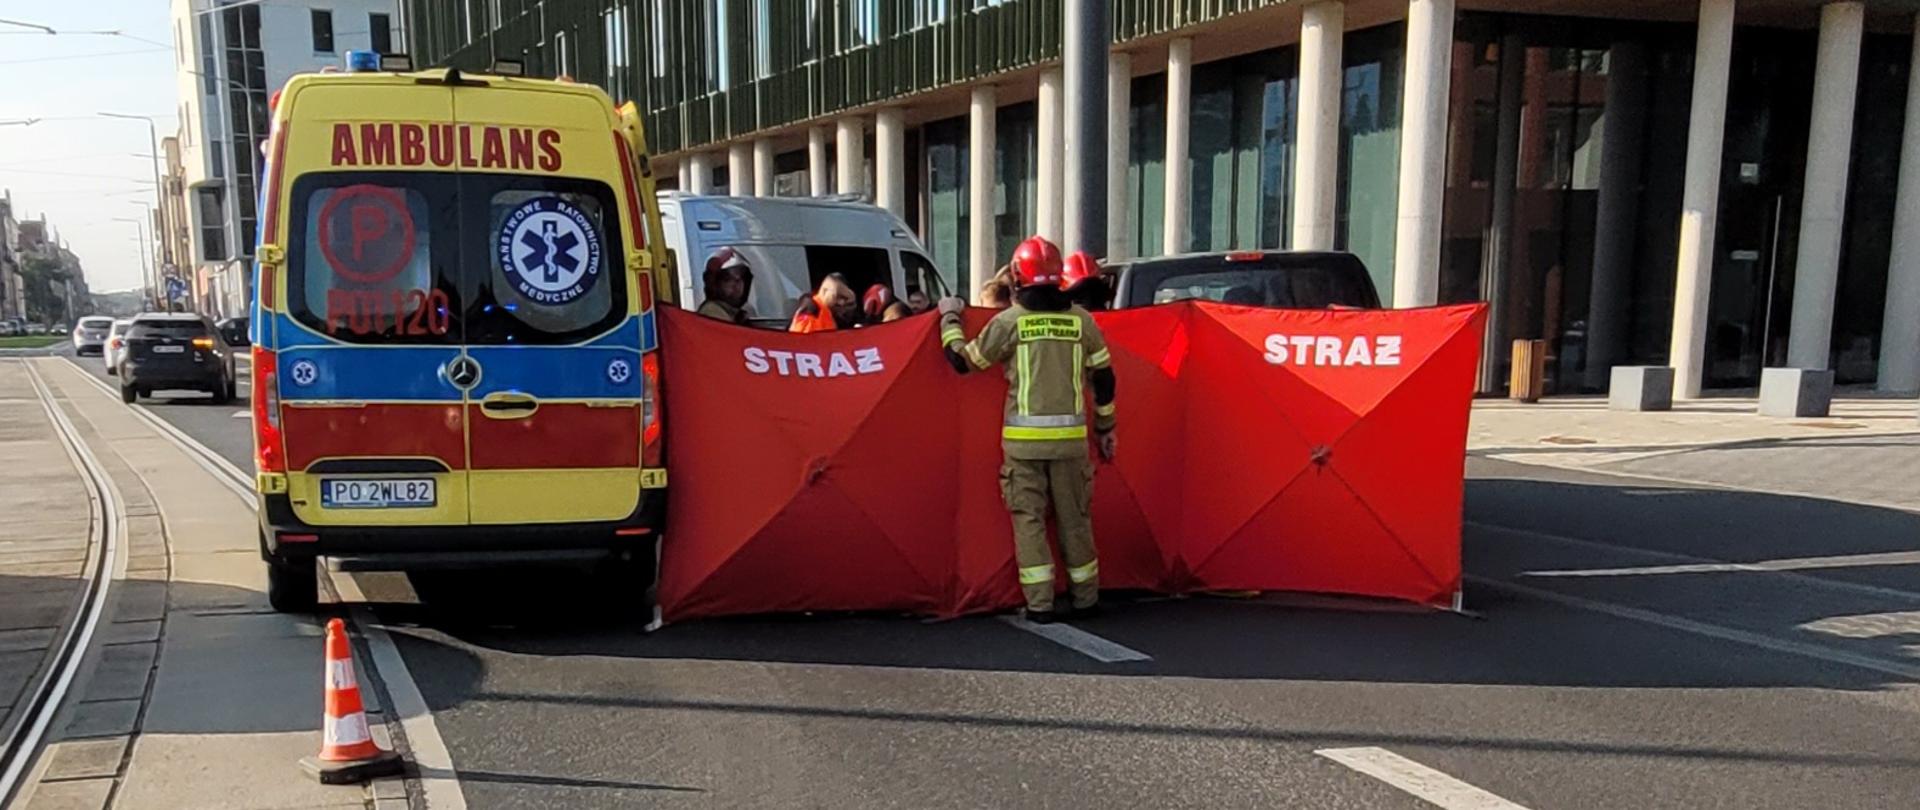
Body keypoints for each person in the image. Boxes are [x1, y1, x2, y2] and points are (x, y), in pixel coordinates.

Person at [938, 236, 1117, 624]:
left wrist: (949, 318)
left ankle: (1040, 606)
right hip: (1071, 445)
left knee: (1029, 521)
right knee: (1076, 521)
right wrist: (1106, 427)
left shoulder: (1009, 322)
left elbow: (962, 362)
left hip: (1023, 448)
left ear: (1019, 277)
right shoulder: (1081, 321)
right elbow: (1104, 377)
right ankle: (1086, 598)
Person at [696, 247, 754, 325]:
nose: (736, 285)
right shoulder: (712, 311)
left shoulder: (737, 313)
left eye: (741, 279)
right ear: (714, 283)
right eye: (728, 279)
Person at [790, 273, 861, 333]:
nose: (841, 303)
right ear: (825, 291)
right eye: (838, 296)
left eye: (845, 299)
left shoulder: (828, 314)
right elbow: (804, 342)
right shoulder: (811, 311)